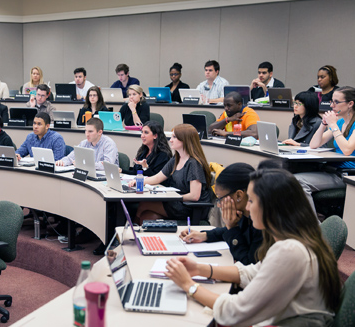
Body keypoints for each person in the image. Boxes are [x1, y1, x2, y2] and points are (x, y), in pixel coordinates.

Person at [165, 169, 341, 327]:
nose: (247, 207)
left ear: (270, 207)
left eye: (252, 201)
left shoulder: (290, 250)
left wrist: (189, 286)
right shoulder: (296, 238)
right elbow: (253, 272)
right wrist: (199, 269)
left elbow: (234, 313)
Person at [180, 163, 262, 265]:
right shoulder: (244, 214)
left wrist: (232, 228)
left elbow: (248, 264)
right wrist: (204, 235)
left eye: (220, 198)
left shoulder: (261, 223)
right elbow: (227, 231)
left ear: (239, 195)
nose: (219, 205)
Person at [130, 124, 212, 223]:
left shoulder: (193, 163)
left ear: (184, 140)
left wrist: (173, 197)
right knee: (147, 216)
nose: (170, 140)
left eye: (174, 137)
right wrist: (138, 181)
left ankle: (131, 232)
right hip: (177, 201)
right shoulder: (176, 158)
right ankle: (138, 234)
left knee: (145, 203)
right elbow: (157, 177)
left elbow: (194, 196)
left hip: (188, 207)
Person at [295, 86, 355, 210]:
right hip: (332, 170)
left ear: (350, 104)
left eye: (336, 102)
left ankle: (313, 226)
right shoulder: (339, 122)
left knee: (298, 181)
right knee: (291, 177)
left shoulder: (343, 124)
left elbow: (347, 150)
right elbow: (314, 144)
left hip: (347, 174)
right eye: (332, 101)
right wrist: (323, 124)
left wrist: (332, 125)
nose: (332, 105)